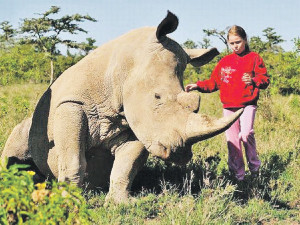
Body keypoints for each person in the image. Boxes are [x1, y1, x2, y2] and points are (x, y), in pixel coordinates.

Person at [185, 25, 270, 182]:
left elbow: (265, 79)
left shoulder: (254, 58)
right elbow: (214, 82)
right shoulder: (225, 61)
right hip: (229, 107)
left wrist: (254, 80)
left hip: (247, 104)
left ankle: (255, 169)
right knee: (232, 141)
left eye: (238, 42)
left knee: (246, 134)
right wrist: (198, 85)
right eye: (232, 43)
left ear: (245, 40)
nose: (235, 46)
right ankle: (239, 177)